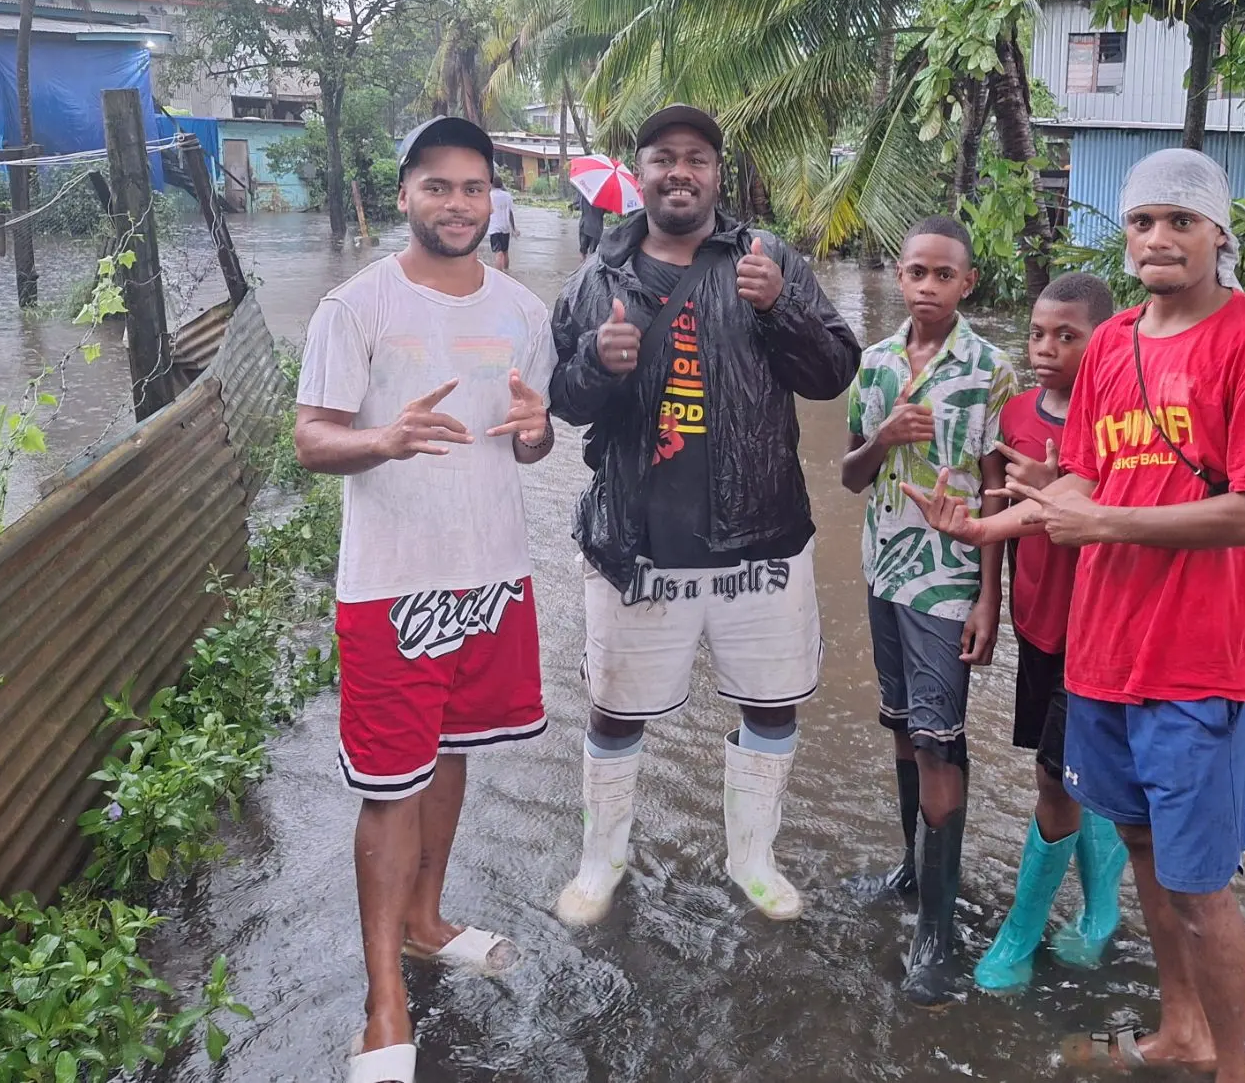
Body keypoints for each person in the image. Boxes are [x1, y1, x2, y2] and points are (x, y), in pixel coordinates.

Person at [908, 149, 1245, 1080]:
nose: (1160, 239)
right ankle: (1182, 1032)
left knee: (1204, 887)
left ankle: (1236, 1069)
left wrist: (1104, 519)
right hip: (1101, 654)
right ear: (1123, 235)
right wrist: (988, 524)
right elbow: (1083, 479)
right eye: (1142, 222)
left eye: (1181, 221)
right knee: (1141, 849)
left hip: (1196, 661)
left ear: (1219, 234)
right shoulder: (1117, 342)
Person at [547, 103, 860, 927]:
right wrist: (596, 363)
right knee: (615, 705)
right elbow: (562, 405)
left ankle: (753, 856)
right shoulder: (596, 278)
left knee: (771, 701)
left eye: (696, 158)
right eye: (662, 158)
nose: (679, 172)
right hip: (635, 541)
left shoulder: (768, 259)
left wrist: (779, 307)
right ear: (639, 172)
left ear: (719, 173)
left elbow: (832, 375)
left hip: (760, 535)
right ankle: (599, 861)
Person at [295, 116, 556, 1083]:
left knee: (452, 755)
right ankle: (383, 1006)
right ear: (404, 193)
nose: (457, 204)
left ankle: (425, 921)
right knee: (388, 783)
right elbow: (312, 441)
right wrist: (384, 440)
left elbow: (530, 440)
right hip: (389, 587)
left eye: (474, 187)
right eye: (437, 186)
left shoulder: (526, 311)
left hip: (490, 575)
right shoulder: (353, 307)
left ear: (496, 201)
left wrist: (536, 434)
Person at [841, 216, 1017, 1007]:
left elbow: (997, 488)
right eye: (916, 272)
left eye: (944, 275)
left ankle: (938, 937)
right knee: (906, 734)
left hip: (947, 584)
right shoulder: (874, 364)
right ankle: (915, 873)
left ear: (967, 283)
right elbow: (849, 476)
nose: (928, 287)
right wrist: (881, 436)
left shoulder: (989, 369)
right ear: (900, 275)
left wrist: (991, 595)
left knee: (941, 743)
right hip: (885, 571)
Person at [972, 271, 1129, 995]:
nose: (1047, 348)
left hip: (1096, 629)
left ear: (1104, 342)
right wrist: (991, 601)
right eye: (1038, 333)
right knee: (1064, 767)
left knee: (1054, 775)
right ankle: (1102, 912)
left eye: (1068, 336)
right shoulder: (1012, 414)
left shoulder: (1117, 423)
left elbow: (1126, 515)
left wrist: (1063, 473)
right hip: (1037, 620)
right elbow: (996, 516)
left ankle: (1022, 932)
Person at [487, 176, 519, 270]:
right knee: (505, 252)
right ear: (501, 184)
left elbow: (486, 211)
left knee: (498, 253)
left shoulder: (489, 196)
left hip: (494, 228)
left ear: (492, 184)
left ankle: (499, 275)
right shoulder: (507, 195)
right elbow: (510, 213)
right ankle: (507, 272)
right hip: (505, 227)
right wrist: (513, 228)